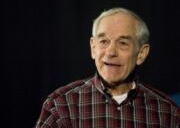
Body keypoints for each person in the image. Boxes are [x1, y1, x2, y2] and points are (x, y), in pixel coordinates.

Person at [35, 7, 180, 128]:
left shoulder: (167, 113)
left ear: (141, 53)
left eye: (123, 43)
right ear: (93, 48)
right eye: (104, 41)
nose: (111, 52)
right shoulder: (60, 106)